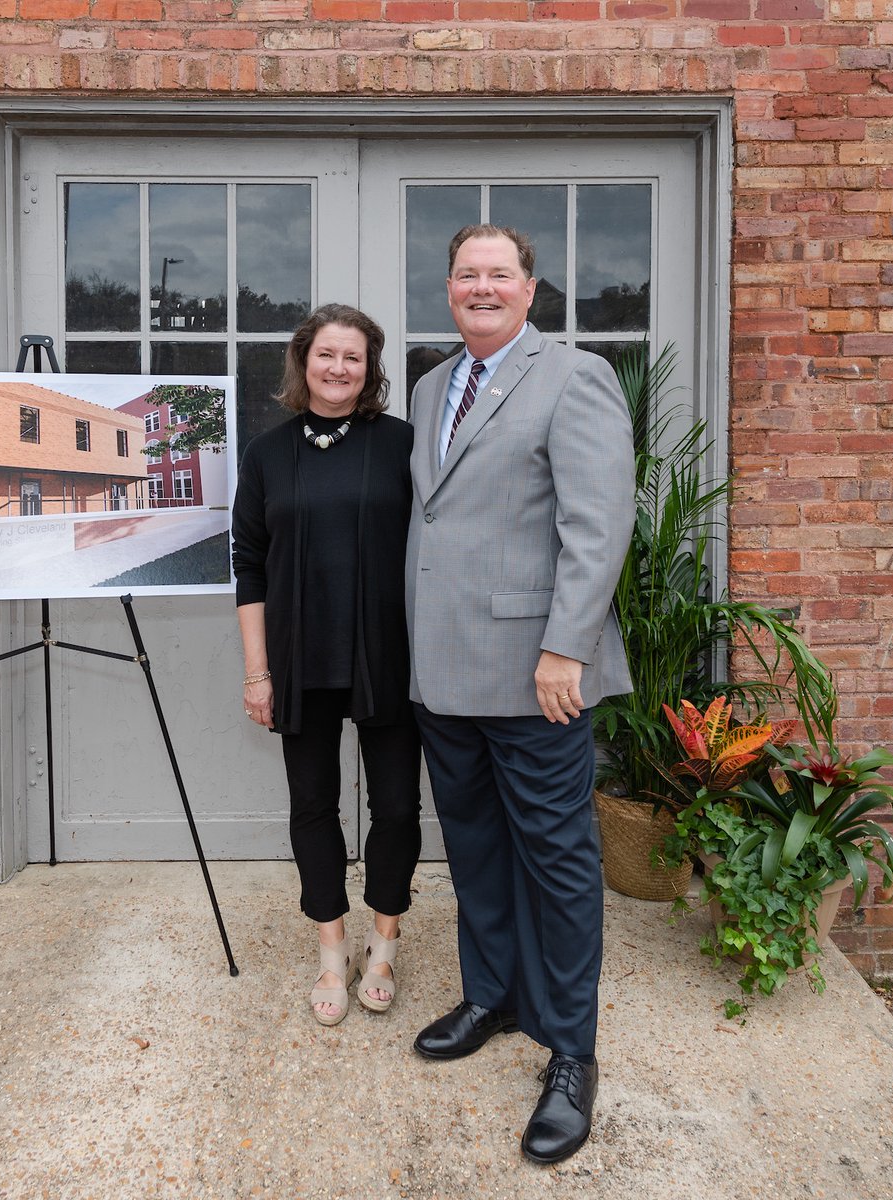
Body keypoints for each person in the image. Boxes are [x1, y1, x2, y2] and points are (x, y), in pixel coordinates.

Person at [405, 225, 635, 1163]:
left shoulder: (573, 377)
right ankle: (494, 993)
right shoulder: (428, 388)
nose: (483, 287)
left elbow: (600, 521)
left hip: (536, 675)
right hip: (442, 672)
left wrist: (565, 649)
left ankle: (571, 1052)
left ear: (530, 289)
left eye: (501, 274)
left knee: (559, 860)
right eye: (468, 275)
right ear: (449, 289)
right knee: (474, 846)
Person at [232, 303, 422, 1027]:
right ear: (302, 361)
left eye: (354, 357)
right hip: (300, 658)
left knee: (397, 808)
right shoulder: (267, 454)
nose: (339, 368)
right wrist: (259, 672)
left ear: (370, 369)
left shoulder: (402, 444)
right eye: (326, 354)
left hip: (389, 657)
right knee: (312, 807)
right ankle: (331, 952)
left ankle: (384, 944)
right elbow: (249, 565)